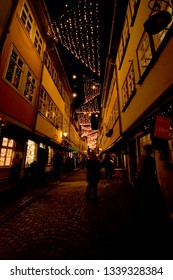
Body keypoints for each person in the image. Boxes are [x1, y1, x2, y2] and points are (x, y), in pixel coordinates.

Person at [136, 144, 169, 229]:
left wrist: (138, 177)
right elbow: (152, 170)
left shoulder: (144, 158)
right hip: (151, 180)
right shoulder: (151, 158)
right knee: (154, 198)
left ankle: (149, 217)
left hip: (145, 181)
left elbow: (141, 170)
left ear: (145, 150)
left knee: (147, 200)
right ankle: (156, 215)